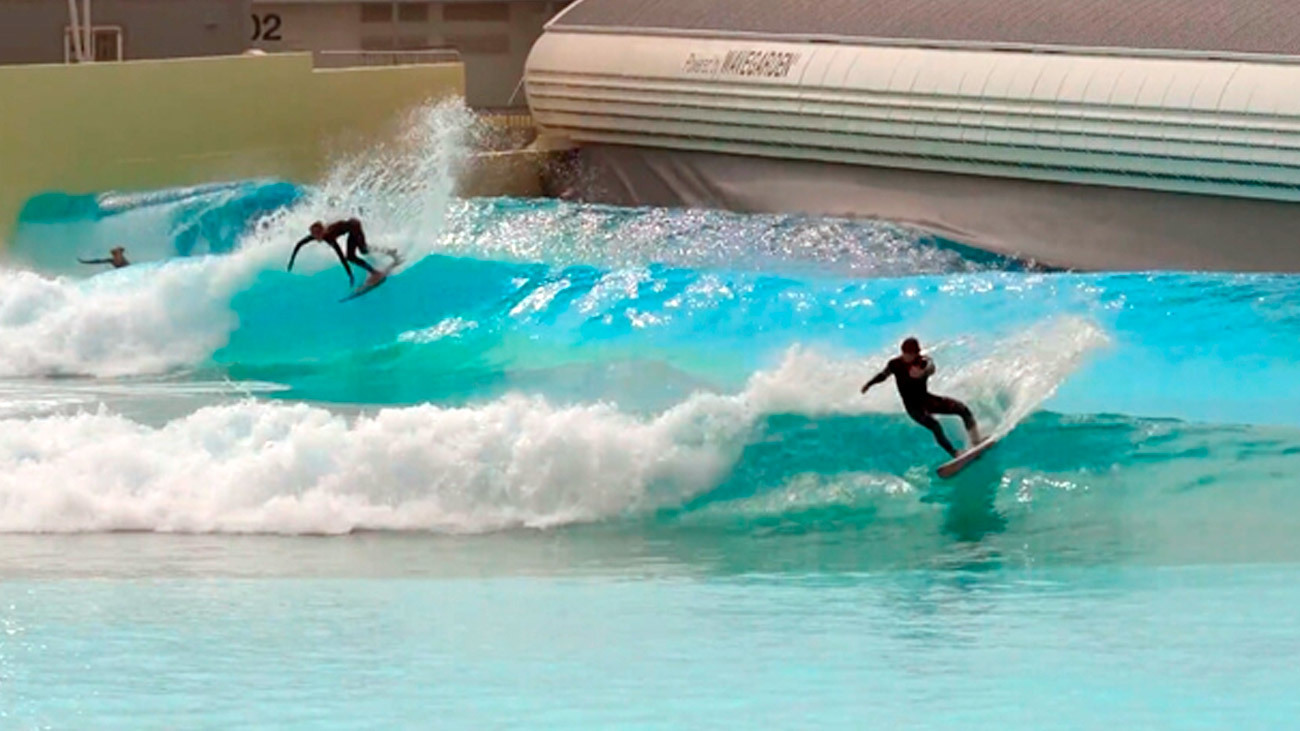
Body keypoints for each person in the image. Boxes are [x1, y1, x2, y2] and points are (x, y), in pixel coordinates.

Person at [861, 337, 981, 457]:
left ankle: (976, 442)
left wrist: (923, 372)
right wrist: (869, 384)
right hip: (913, 408)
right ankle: (954, 453)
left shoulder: (922, 362)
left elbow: (931, 367)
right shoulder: (894, 364)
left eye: (914, 354)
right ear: (903, 352)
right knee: (935, 425)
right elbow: (883, 375)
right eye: (908, 354)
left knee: (963, 410)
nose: (911, 356)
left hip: (926, 400)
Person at [287, 218, 381, 287]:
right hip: (351, 228)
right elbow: (299, 244)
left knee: (355, 255)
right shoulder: (316, 236)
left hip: (355, 227)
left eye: (317, 234)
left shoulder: (329, 237)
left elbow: (341, 257)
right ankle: (387, 251)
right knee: (363, 250)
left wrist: (350, 275)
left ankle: (375, 273)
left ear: (322, 231)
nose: (315, 237)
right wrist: (291, 261)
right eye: (313, 234)